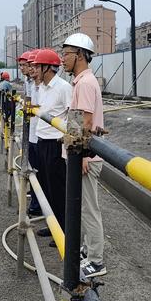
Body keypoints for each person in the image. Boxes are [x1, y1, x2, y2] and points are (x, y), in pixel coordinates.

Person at [62, 33, 106, 278]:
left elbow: (86, 122)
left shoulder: (86, 83)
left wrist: (85, 157)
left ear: (79, 55)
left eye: (66, 54)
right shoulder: (81, 82)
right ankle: (88, 250)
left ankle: (97, 261)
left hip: (86, 158)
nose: (62, 60)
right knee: (83, 207)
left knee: (90, 210)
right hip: (81, 156)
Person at [33, 48, 72, 240]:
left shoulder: (63, 87)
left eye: (37, 66)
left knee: (57, 189)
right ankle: (53, 225)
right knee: (46, 187)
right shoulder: (43, 88)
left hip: (54, 145)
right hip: (42, 142)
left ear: (48, 67)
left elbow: (72, 115)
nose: (34, 70)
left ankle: (64, 232)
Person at [26, 50, 43, 217]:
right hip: (33, 135)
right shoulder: (32, 85)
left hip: (43, 138)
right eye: (29, 66)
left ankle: (40, 205)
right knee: (35, 172)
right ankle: (37, 203)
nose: (31, 69)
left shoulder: (56, 87)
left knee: (42, 175)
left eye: (34, 66)